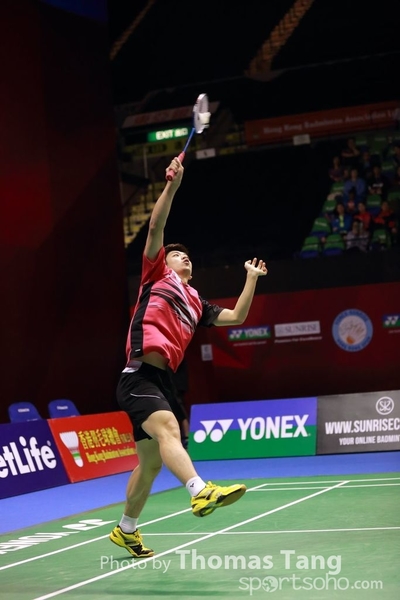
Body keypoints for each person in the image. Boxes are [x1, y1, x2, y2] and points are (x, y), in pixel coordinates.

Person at [109, 157, 268, 558]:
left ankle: (126, 530)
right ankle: (199, 491)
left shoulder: (196, 301)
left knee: (150, 465)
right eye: (177, 255)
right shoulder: (156, 275)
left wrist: (250, 279)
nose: (184, 258)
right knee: (168, 429)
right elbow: (156, 227)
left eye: (187, 257)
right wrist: (172, 186)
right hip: (139, 373)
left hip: (162, 381)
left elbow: (236, 317)